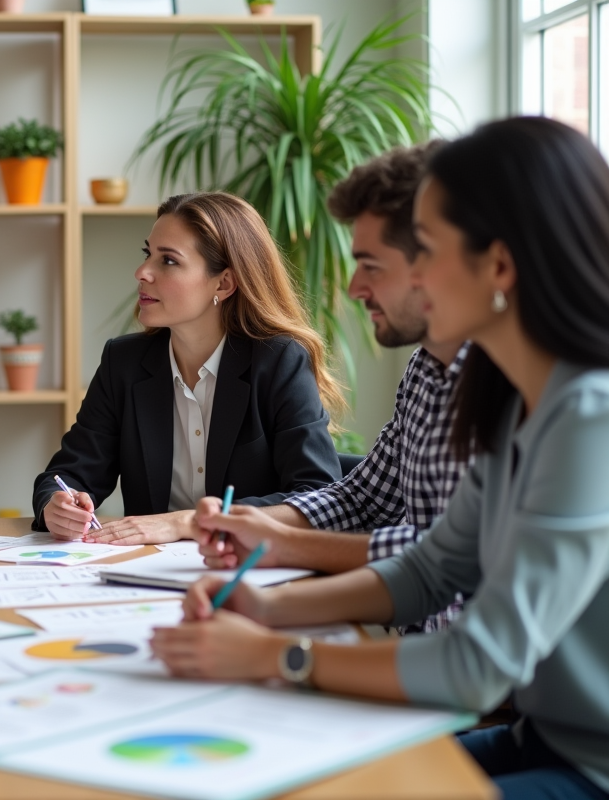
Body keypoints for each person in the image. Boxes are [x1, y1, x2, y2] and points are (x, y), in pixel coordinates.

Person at [152, 117, 609, 800]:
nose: (412, 277)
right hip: (547, 737)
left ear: (499, 266)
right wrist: (266, 609)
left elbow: (477, 664)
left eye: (426, 250)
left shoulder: (589, 416)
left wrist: (277, 654)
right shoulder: (515, 399)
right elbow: (433, 568)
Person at [198, 142, 468, 633]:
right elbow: (363, 499)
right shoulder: (426, 369)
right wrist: (261, 528)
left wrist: (286, 548)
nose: (354, 287)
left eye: (372, 265)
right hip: (418, 652)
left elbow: (451, 558)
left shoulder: (524, 387)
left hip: (459, 668)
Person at [32, 192, 343, 542]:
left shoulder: (279, 361)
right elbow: (69, 472)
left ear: (223, 283)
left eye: (168, 260)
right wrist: (57, 504)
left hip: (245, 566)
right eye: (148, 254)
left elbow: (319, 497)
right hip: (145, 567)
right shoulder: (124, 362)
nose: (142, 272)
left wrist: (188, 522)